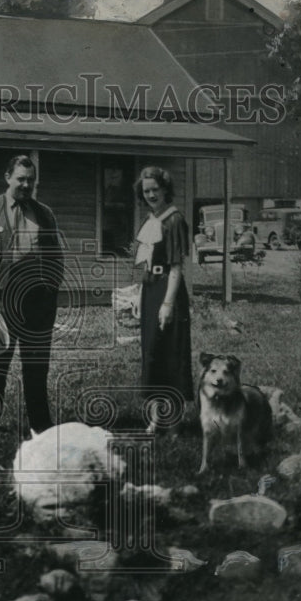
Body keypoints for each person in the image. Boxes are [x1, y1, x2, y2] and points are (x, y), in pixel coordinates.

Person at [0, 155, 64, 443]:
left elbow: (56, 256)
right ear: (8, 177)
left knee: (36, 365)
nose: (26, 185)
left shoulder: (44, 214)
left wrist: (51, 290)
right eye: (21, 179)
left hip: (37, 302)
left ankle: (40, 427)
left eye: (31, 180)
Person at [133, 166, 193, 432]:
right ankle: (157, 417)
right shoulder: (150, 220)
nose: (151, 195)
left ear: (165, 189)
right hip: (151, 289)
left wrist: (168, 303)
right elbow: (146, 264)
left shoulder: (174, 219)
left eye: (155, 190)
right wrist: (139, 295)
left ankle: (174, 419)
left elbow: (177, 266)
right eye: (146, 191)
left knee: (171, 352)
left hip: (169, 290)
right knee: (152, 353)